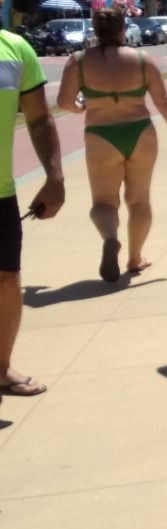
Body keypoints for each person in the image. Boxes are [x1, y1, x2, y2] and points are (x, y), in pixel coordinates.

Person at [56, 4, 167, 281]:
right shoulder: (142, 60)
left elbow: (62, 103)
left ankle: (110, 238)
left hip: (101, 135)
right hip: (140, 132)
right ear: (122, 28)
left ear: (95, 30)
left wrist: (82, 108)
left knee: (104, 203)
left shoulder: (79, 61)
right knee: (139, 200)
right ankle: (135, 257)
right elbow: (163, 101)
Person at [0, 27, 64, 400]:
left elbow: (39, 118)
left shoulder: (15, 48)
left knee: (7, 280)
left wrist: (54, 176)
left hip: (1, 192)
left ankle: (2, 367)